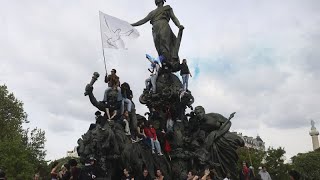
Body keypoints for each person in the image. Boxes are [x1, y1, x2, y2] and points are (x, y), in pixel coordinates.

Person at [191, 106, 244, 178]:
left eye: (200, 112)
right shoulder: (199, 123)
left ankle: (232, 174)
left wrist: (219, 133)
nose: (199, 114)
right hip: (212, 141)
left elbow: (228, 123)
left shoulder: (213, 116)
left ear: (204, 111)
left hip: (223, 135)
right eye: (197, 113)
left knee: (229, 158)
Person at [131, 0, 184, 71]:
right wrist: (132, 25)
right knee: (158, 47)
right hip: (155, 29)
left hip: (164, 25)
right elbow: (143, 20)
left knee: (164, 44)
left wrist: (179, 25)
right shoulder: (152, 12)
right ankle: (164, 63)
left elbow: (173, 18)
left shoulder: (167, 8)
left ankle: (169, 62)